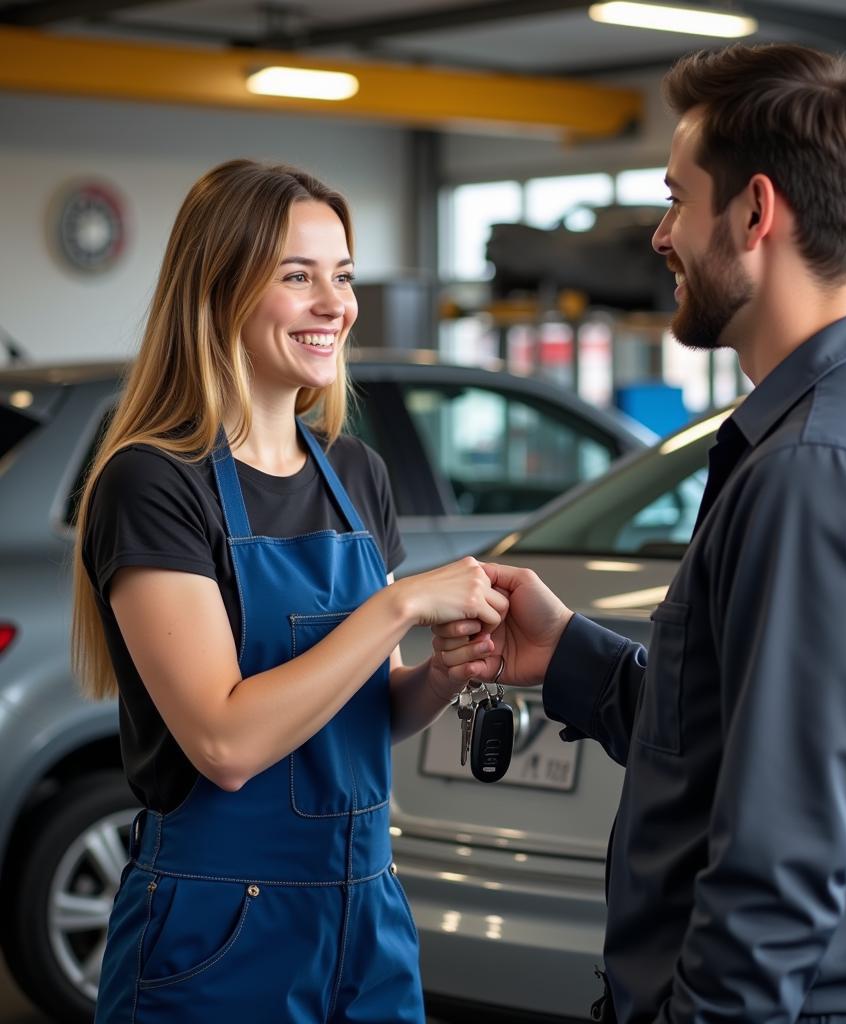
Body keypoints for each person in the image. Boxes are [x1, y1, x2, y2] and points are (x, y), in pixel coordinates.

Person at [435, 44, 846, 1024]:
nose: (659, 235)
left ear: (754, 212)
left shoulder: (819, 471)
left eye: (675, 199)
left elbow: (781, 857)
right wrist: (575, 656)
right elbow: (745, 741)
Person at [73, 159, 506, 1023]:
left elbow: (363, 706)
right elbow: (224, 741)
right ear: (219, 289)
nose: (334, 304)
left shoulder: (355, 472)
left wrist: (441, 676)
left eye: (341, 276)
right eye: (296, 276)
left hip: (367, 913)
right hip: (220, 928)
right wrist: (400, 604)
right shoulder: (155, 482)